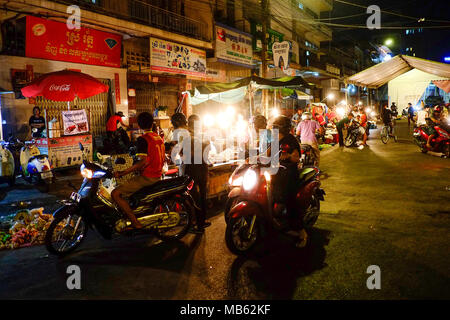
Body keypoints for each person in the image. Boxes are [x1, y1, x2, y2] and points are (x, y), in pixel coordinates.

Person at [111, 112, 165, 230]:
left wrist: (123, 173)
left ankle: (135, 222)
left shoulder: (143, 139)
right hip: (157, 175)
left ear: (139, 125)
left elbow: (143, 162)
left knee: (115, 193)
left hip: (148, 177)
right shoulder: (158, 137)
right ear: (152, 123)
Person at [270, 115, 308, 248]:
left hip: (289, 173)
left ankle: (301, 232)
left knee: (289, 199)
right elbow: (268, 153)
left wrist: (288, 156)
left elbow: (296, 157)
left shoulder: (290, 140)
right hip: (276, 173)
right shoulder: (275, 140)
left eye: (276, 127)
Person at [173, 113, 211, 234]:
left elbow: (182, 154)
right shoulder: (204, 136)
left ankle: (197, 225)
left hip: (192, 171)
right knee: (202, 197)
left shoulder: (187, 137)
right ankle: (202, 222)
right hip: (203, 170)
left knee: (194, 198)